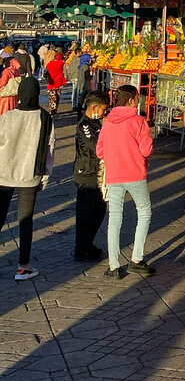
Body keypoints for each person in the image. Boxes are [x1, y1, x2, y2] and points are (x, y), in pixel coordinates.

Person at [96, 84, 154, 279]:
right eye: (137, 98)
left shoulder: (108, 122)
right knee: (144, 212)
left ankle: (114, 266)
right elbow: (146, 150)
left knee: (115, 219)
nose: (139, 100)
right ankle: (136, 258)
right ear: (131, 100)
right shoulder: (138, 121)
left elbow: (100, 151)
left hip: (114, 175)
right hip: (135, 174)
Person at [0, 75, 55, 281]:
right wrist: (45, 178)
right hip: (29, 176)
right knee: (25, 221)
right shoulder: (45, 118)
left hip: (3, 174)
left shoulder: (7, 117)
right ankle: (23, 267)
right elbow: (50, 149)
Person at [73, 91, 108, 262]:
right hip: (86, 173)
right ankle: (81, 248)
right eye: (103, 109)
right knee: (85, 214)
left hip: (99, 174)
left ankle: (89, 243)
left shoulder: (97, 123)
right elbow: (97, 146)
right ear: (94, 107)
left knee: (99, 211)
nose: (104, 113)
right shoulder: (84, 125)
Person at [45, 49, 66, 114]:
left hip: (51, 84)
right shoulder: (61, 63)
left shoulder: (50, 64)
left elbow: (46, 70)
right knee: (57, 97)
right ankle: (55, 109)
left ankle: (52, 109)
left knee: (52, 98)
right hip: (59, 83)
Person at [64, 47, 81, 111]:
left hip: (73, 77)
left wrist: (70, 77)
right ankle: (77, 105)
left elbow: (69, 70)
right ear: (78, 53)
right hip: (77, 77)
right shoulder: (79, 60)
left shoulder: (71, 60)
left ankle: (73, 105)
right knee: (78, 92)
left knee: (74, 92)